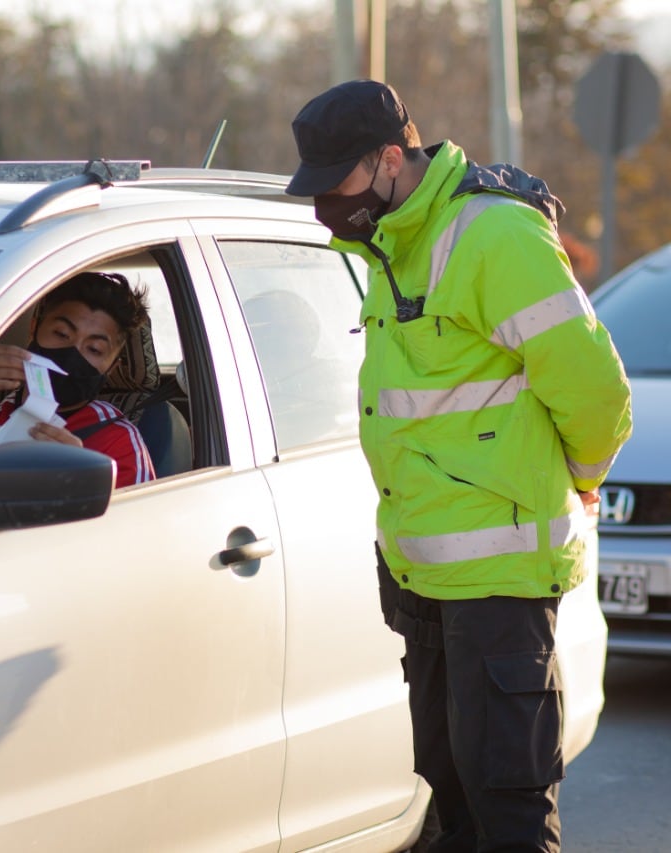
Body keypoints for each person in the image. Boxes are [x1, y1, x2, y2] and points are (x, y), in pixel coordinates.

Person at [284, 79, 632, 852]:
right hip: (421, 574)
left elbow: (596, 392)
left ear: (387, 161)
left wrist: (576, 478)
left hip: (500, 578)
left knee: (506, 809)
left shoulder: (493, 235)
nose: (325, 205)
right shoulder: (388, 245)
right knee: (451, 803)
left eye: (336, 181)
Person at [0, 271, 155, 488]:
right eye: (61, 334)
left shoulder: (117, 442)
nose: (72, 355)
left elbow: (136, 521)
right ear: (34, 329)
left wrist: (79, 483)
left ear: (111, 368)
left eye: (94, 349)